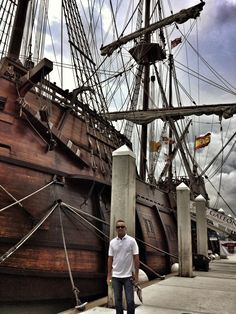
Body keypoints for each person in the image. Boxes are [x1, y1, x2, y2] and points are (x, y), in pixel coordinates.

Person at [107, 219, 140, 314]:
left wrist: (136, 276)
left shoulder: (132, 241)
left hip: (128, 277)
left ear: (125, 228)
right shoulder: (112, 242)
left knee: (130, 301)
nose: (120, 228)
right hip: (115, 277)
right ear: (116, 229)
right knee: (117, 302)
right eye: (118, 227)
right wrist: (109, 275)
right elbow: (110, 259)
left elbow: (136, 258)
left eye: (122, 226)